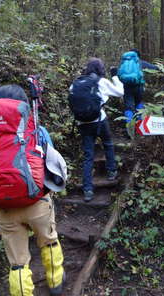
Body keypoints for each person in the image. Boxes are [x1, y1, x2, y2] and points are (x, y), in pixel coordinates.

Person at [0, 84, 66, 296]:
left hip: (3, 206)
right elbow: (52, 162)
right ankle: (56, 282)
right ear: (23, 105)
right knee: (49, 240)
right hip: (37, 202)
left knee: (17, 261)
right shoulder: (36, 130)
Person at [71, 58, 124, 202]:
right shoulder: (101, 82)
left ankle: (88, 190)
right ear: (100, 69)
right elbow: (120, 92)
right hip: (99, 120)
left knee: (88, 155)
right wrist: (115, 76)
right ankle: (111, 171)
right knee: (107, 143)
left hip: (83, 123)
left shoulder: (76, 83)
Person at [117, 49, 158, 133]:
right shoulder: (140, 62)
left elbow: (119, 74)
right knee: (139, 104)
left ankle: (129, 130)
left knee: (128, 107)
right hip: (139, 87)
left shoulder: (124, 62)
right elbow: (155, 68)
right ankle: (140, 128)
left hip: (127, 88)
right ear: (138, 55)